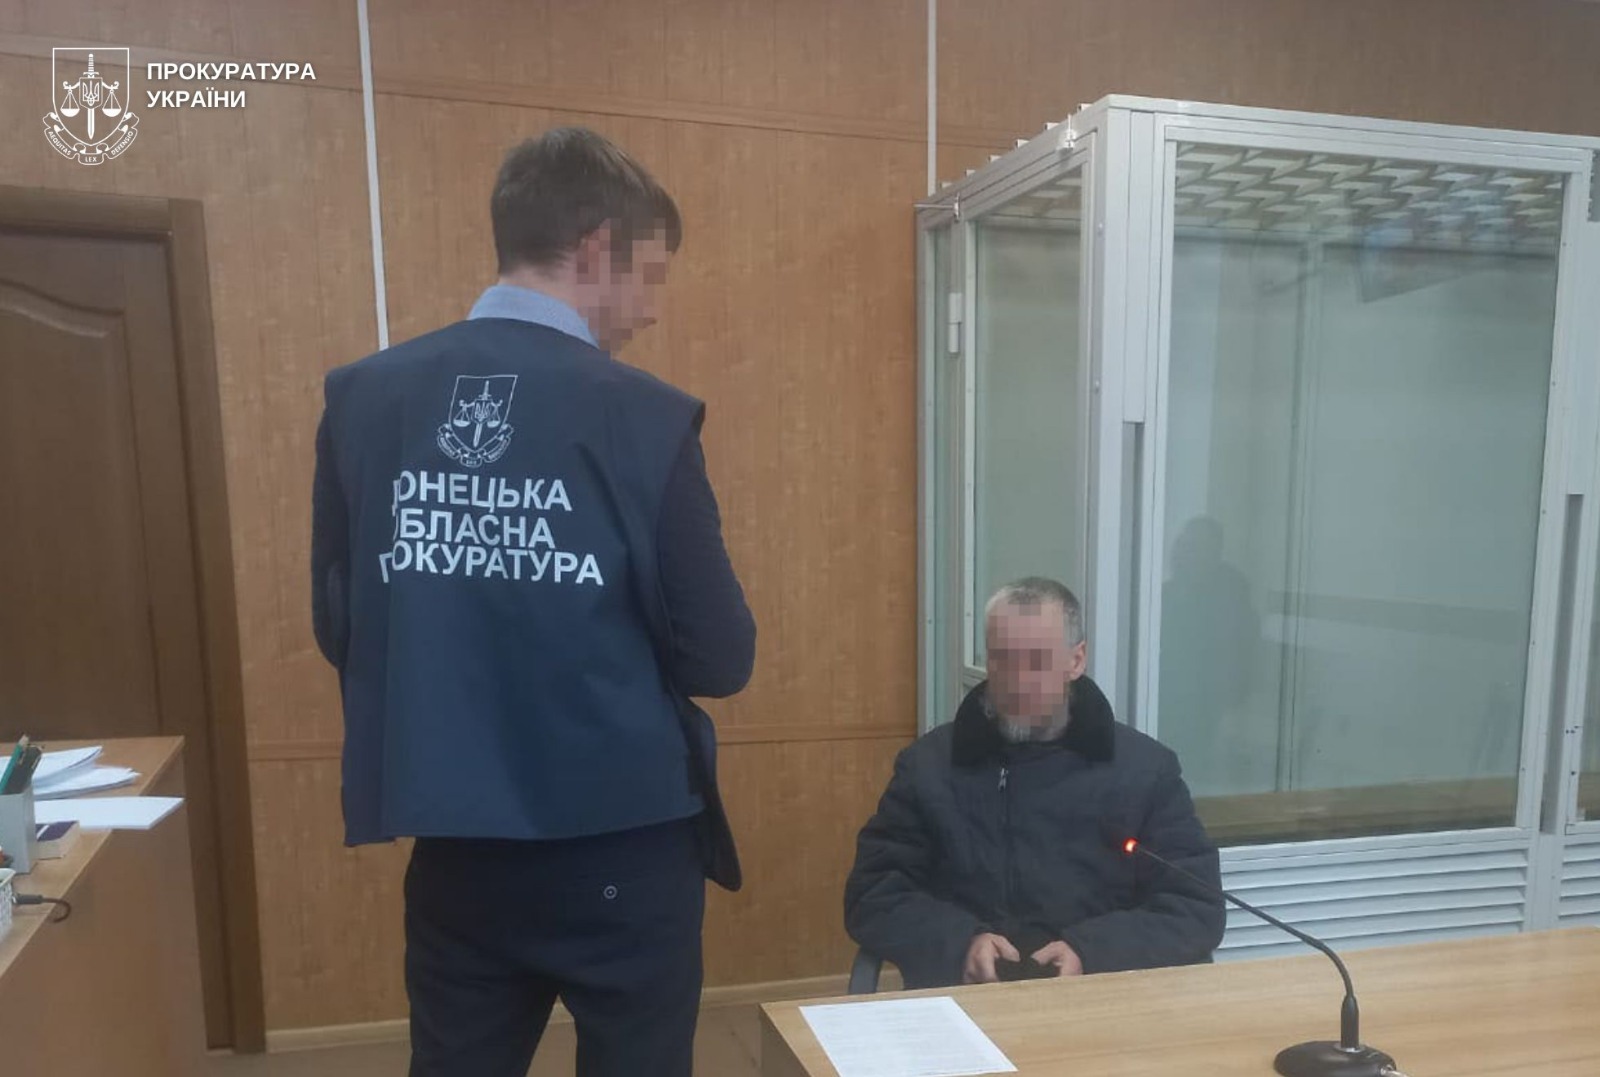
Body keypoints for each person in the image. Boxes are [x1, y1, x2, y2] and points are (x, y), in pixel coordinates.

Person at [310, 127, 756, 1077]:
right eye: (650, 276)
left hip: (456, 837)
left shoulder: (365, 401)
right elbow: (720, 656)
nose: (650, 310)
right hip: (623, 842)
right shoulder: (643, 416)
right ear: (595, 249)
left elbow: (341, 625)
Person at [844, 577, 1223, 989]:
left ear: (1076, 661)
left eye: (1037, 661)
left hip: (1100, 998)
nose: (1018, 680)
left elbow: (1194, 907)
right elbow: (875, 893)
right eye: (1002, 659)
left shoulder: (1145, 772)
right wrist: (959, 943)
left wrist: (1092, 952)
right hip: (965, 997)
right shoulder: (929, 767)